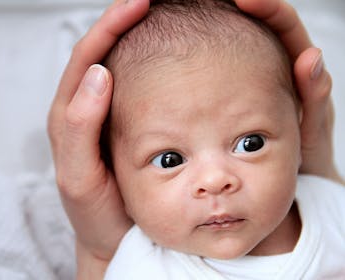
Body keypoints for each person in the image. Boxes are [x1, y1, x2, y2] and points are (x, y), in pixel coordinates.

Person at [47, 0, 344, 278]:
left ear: (298, 126)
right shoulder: (143, 269)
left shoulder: (331, 208)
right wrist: (97, 255)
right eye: (170, 160)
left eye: (250, 143)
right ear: (114, 172)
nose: (215, 180)